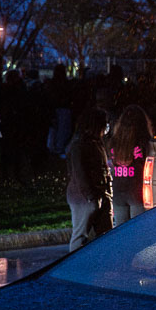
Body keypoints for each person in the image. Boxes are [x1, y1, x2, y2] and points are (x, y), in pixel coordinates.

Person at [66, 108, 111, 252]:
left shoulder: (95, 142)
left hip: (99, 195)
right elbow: (80, 174)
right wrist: (91, 196)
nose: (106, 127)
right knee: (80, 237)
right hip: (86, 197)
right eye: (104, 124)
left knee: (105, 235)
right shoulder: (80, 145)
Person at [108, 105, 153, 225]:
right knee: (137, 230)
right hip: (136, 190)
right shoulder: (143, 142)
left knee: (120, 230)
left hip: (118, 190)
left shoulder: (114, 142)